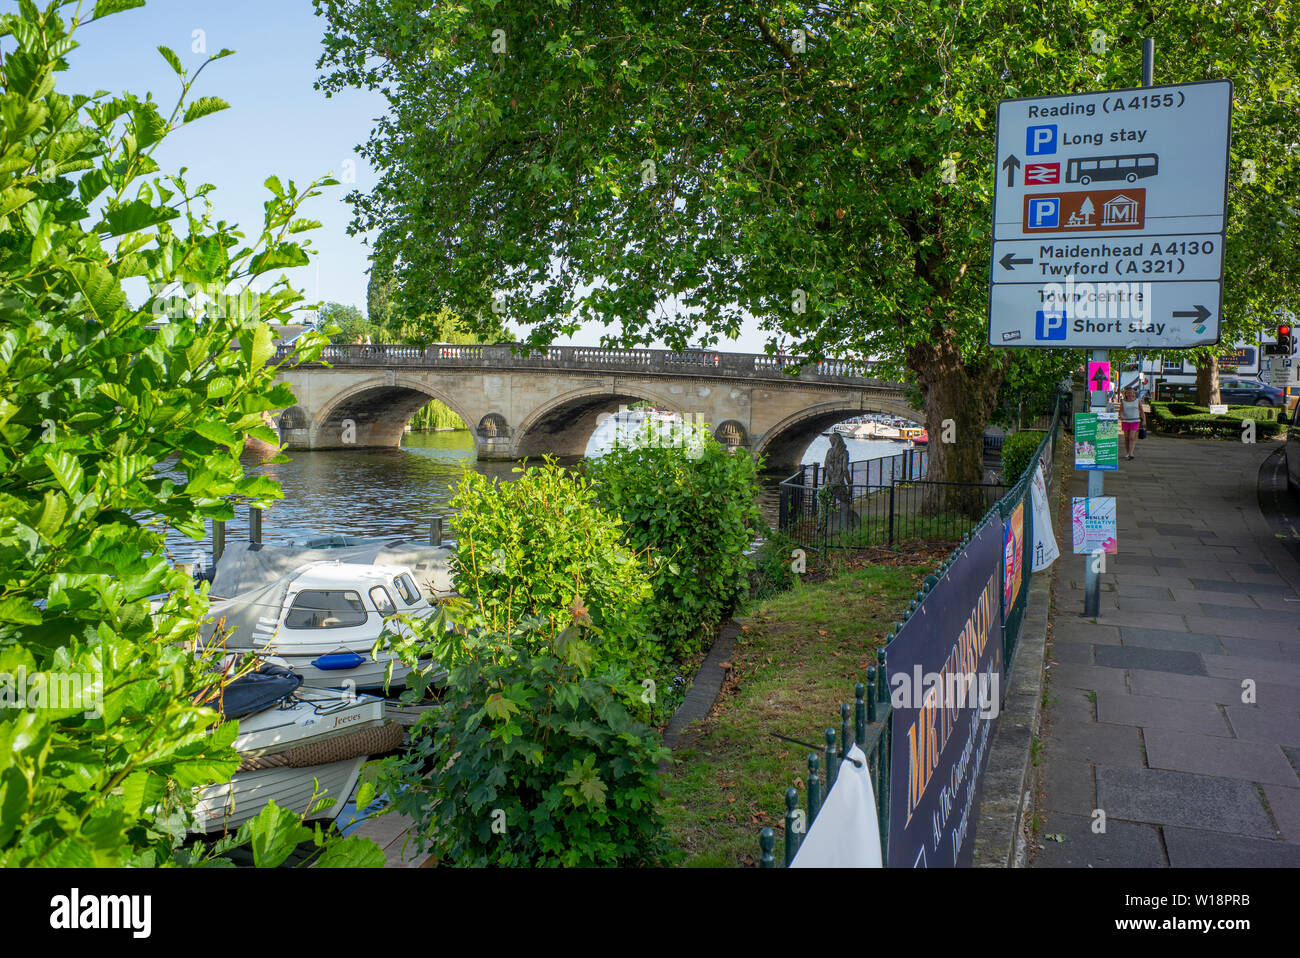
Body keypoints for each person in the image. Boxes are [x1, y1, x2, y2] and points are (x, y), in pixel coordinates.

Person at [1118, 385, 1145, 460]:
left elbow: (1142, 411)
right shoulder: (1123, 401)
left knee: (1132, 437)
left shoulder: (1137, 401)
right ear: (1125, 394)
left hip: (1135, 420)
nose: (1130, 394)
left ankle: (1131, 453)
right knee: (1126, 438)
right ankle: (1127, 453)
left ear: (1134, 393)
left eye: (1131, 392)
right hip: (1125, 421)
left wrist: (1144, 420)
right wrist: (1121, 416)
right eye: (1128, 393)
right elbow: (1120, 411)